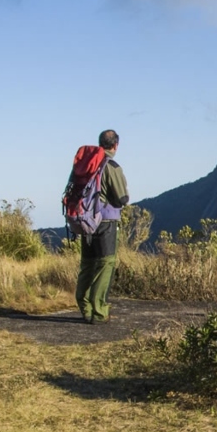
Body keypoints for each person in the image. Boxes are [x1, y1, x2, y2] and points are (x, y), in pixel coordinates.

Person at [76, 129, 129, 325]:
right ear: (116, 145)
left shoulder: (88, 164)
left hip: (86, 221)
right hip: (105, 222)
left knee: (88, 264)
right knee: (105, 264)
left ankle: (85, 307)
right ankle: (99, 312)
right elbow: (122, 197)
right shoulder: (111, 166)